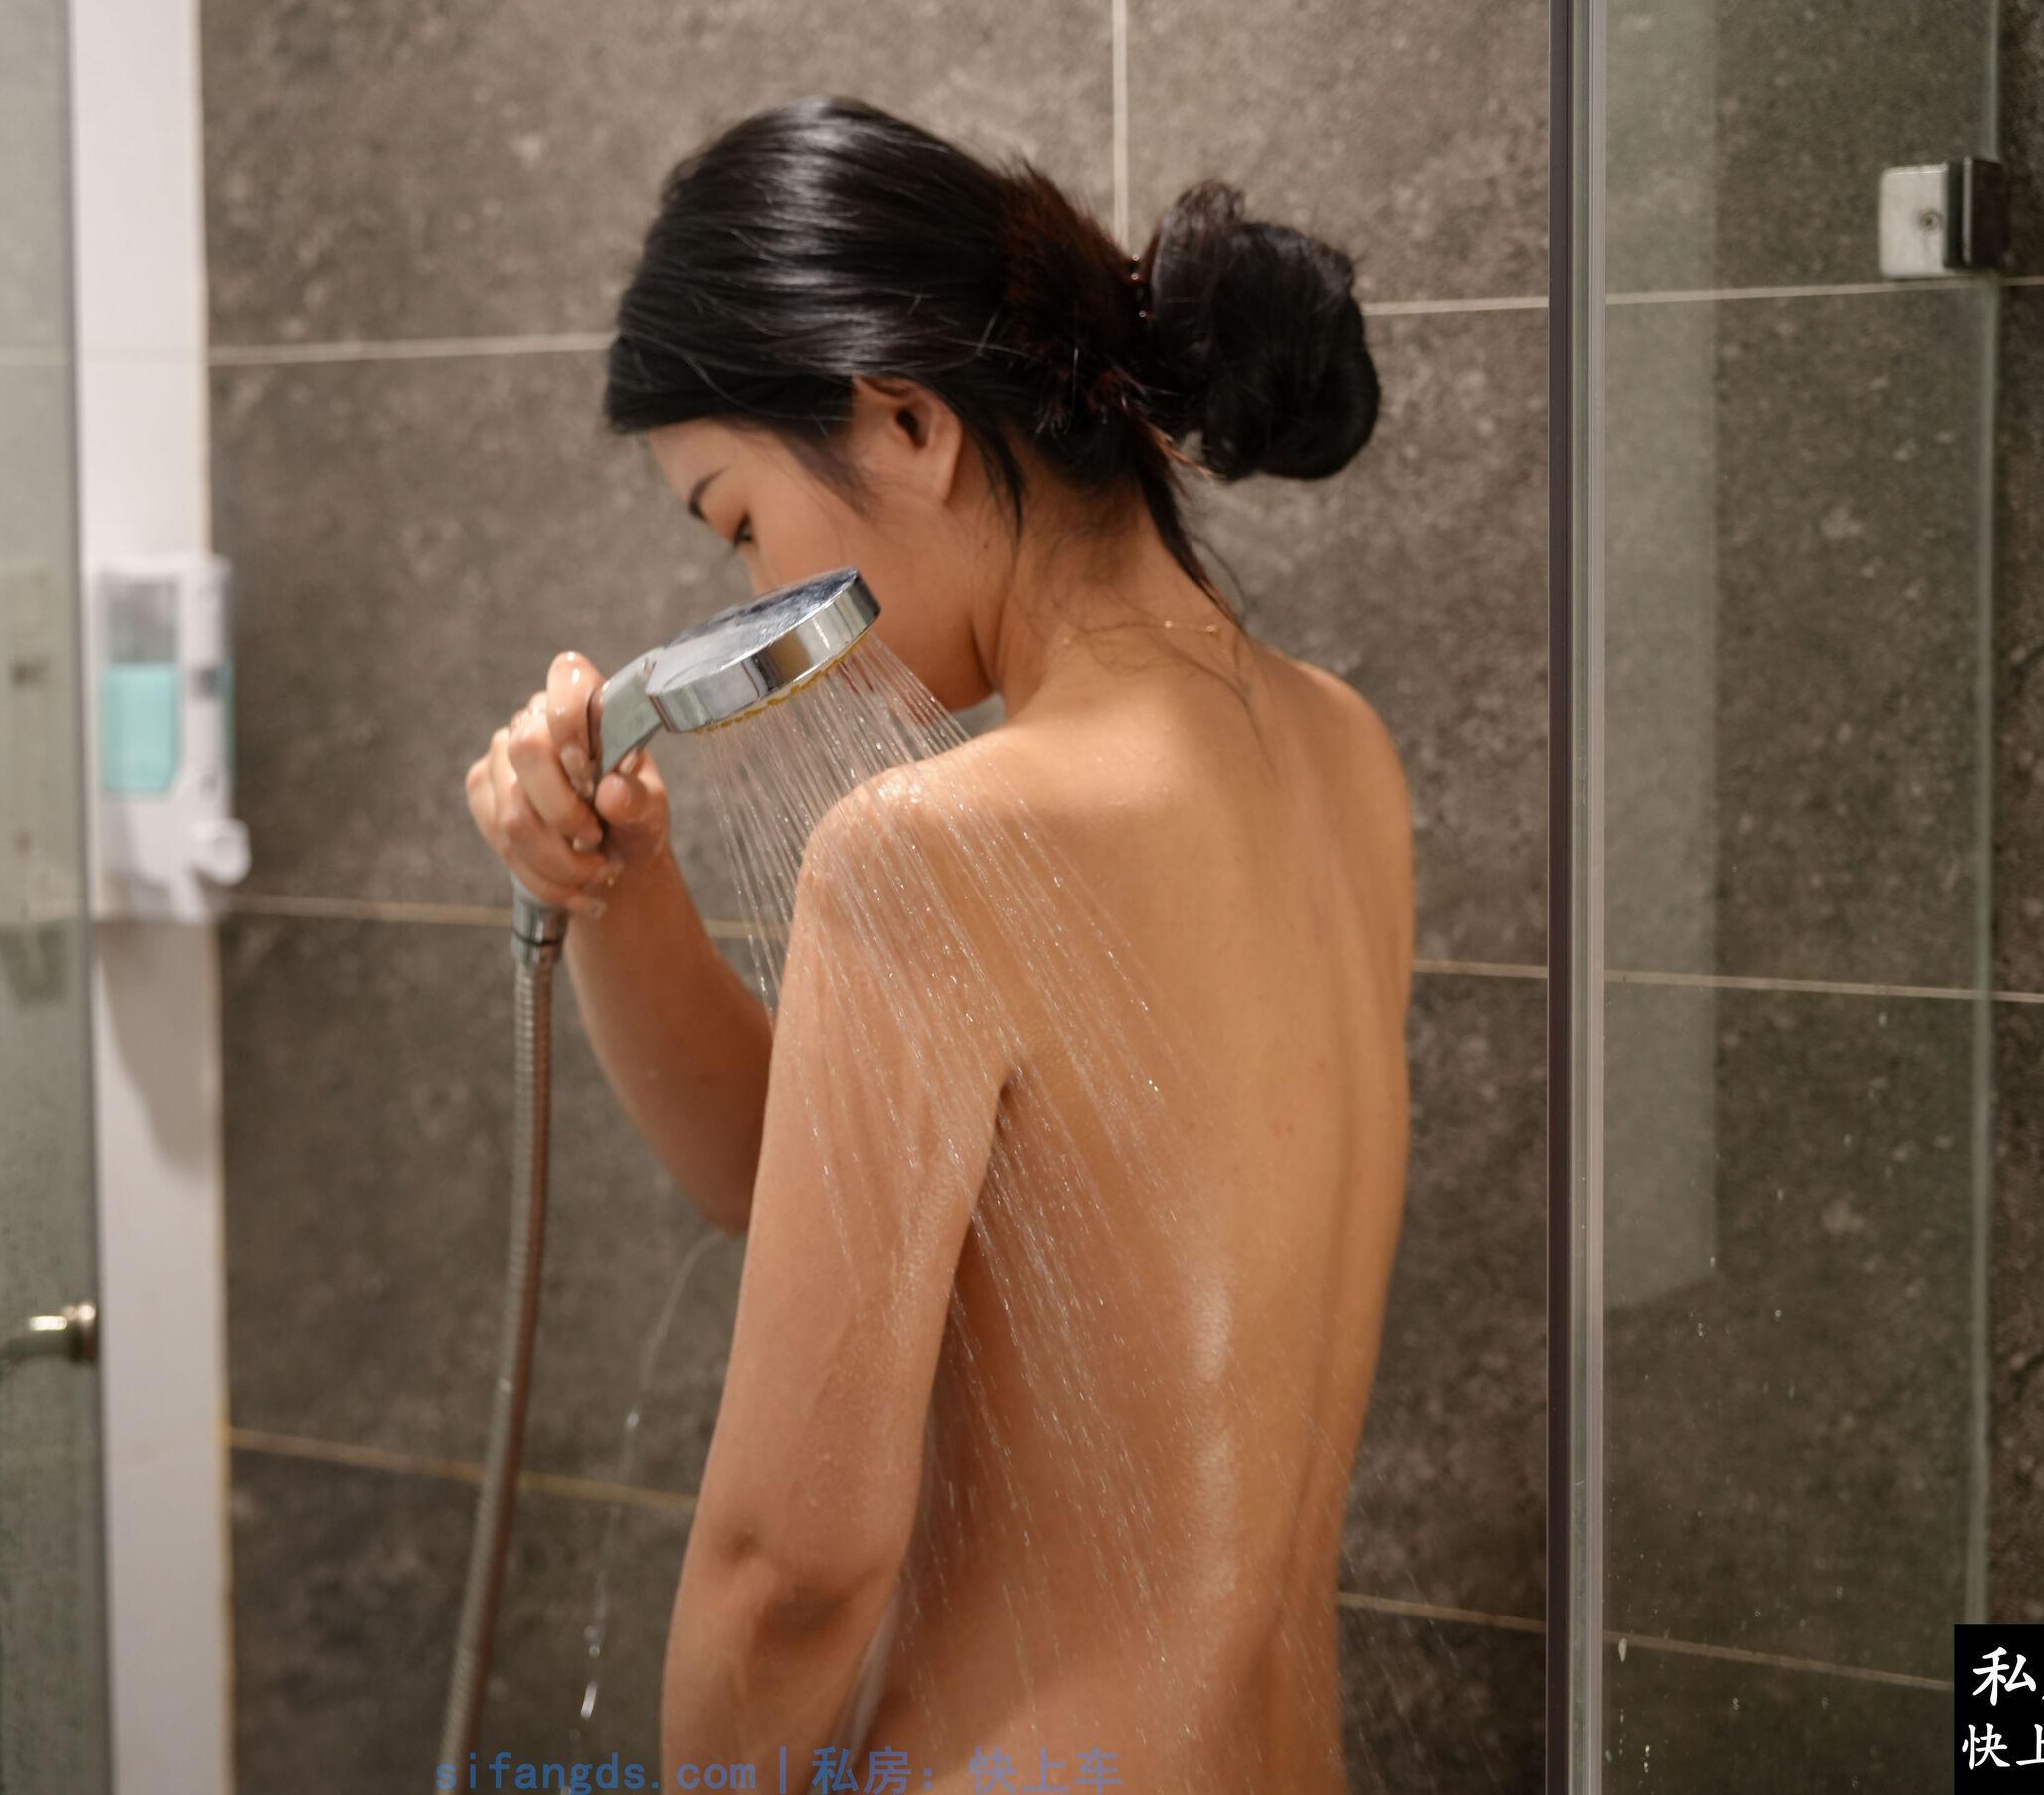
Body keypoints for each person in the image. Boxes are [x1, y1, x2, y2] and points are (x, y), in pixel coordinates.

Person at [464, 95, 1413, 1794]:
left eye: (739, 522)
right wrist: (617, 888)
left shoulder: (937, 846)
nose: (752, 597)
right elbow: (797, 1185)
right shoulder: (1341, 750)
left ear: (906, 422)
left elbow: (791, 1572)